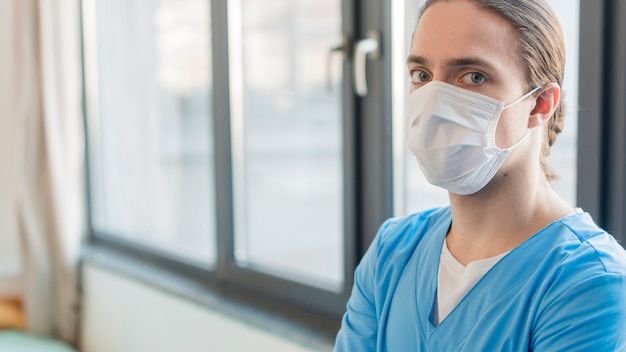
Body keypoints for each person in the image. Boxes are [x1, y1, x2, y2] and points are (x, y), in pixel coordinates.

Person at [334, 0, 626, 350]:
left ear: (539, 104)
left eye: (473, 77)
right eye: (421, 76)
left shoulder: (589, 282)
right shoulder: (392, 251)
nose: (434, 103)